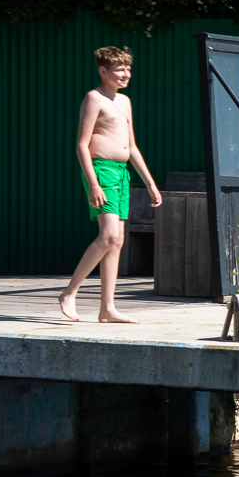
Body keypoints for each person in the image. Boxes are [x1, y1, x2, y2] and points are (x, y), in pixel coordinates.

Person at [59, 46, 161, 323]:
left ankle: (107, 309)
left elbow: (132, 147)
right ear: (103, 71)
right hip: (101, 171)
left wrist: (150, 183)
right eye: (119, 69)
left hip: (122, 172)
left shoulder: (125, 101)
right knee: (107, 236)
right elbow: (81, 144)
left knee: (117, 242)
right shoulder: (94, 98)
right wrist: (93, 183)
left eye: (128, 68)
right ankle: (70, 292)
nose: (126, 73)